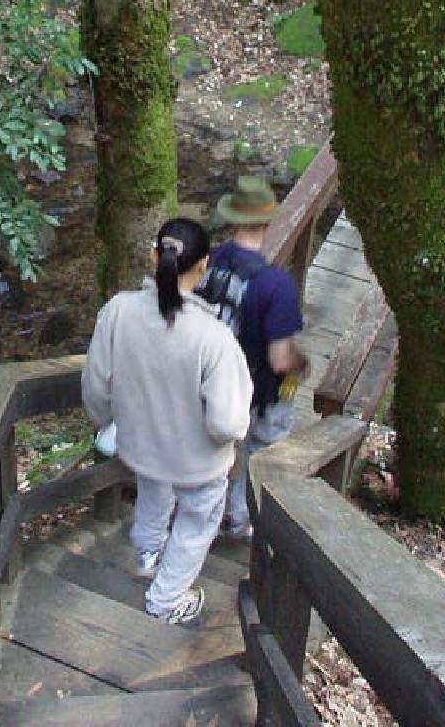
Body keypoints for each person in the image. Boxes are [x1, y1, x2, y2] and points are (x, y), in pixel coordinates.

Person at [82, 218, 253, 626]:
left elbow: (96, 388)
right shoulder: (214, 339)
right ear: (204, 265)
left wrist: (107, 422)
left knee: (153, 493)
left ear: (154, 255)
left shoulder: (117, 312)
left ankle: (147, 553)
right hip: (197, 461)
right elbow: (227, 423)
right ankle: (166, 599)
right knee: (196, 522)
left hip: (142, 445)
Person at [196, 175, 307, 539]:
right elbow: (279, 360)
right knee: (262, 449)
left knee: (213, 446)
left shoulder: (209, 260)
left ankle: (202, 511)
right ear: (268, 221)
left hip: (208, 381)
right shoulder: (276, 285)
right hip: (255, 390)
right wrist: (300, 364)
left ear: (231, 218)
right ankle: (241, 517)